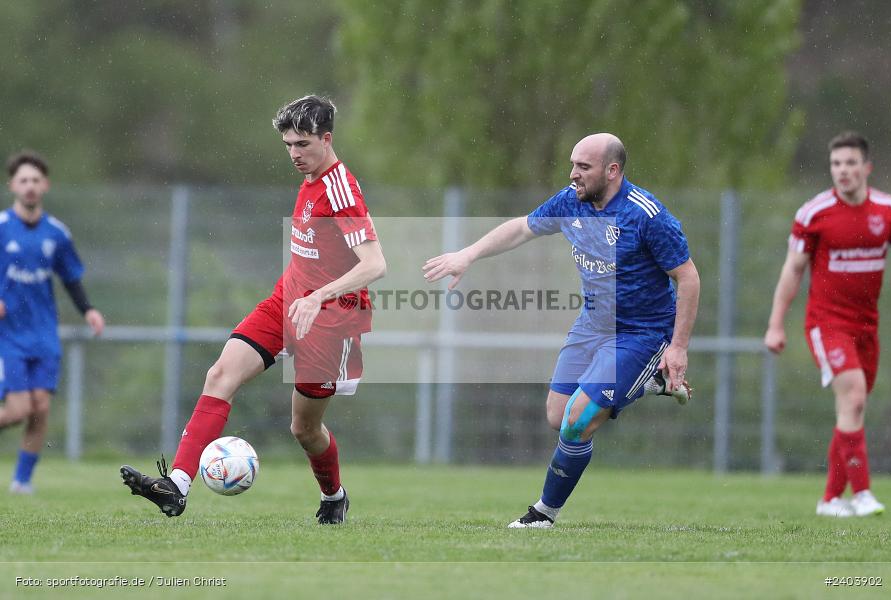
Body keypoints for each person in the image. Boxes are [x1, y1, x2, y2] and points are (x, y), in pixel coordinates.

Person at [121, 95, 386, 524]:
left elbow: (375, 263)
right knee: (220, 374)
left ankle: (334, 495)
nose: (294, 154)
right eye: (288, 146)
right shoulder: (310, 179)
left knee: (304, 429)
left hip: (330, 320)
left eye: (302, 144)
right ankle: (177, 486)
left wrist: (319, 297)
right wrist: (303, 293)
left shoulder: (341, 190)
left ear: (327, 138)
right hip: (287, 302)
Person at [424, 133, 700, 528]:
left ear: (612, 170)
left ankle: (543, 514)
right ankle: (651, 383)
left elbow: (688, 279)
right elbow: (522, 228)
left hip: (641, 332)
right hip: (591, 325)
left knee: (577, 419)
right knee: (557, 415)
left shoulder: (647, 216)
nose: (573, 174)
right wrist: (468, 255)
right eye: (572, 164)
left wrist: (678, 347)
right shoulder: (571, 201)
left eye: (583, 167)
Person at [765, 132, 891, 518]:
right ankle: (863, 493)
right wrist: (776, 325)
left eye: (850, 163)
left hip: (867, 328)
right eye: (836, 164)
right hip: (827, 324)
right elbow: (792, 271)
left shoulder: (889, 212)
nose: (843, 171)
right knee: (853, 396)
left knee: (852, 410)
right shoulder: (814, 214)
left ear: (866, 168)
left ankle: (829, 501)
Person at [0, 151, 105, 494]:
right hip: (9, 336)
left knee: (40, 409)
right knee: (17, 411)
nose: (29, 186)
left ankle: (22, 482)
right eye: (23, 180)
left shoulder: (56, 233)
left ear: (44, 185)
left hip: (43, 334)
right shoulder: (2, 229)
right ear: (12, 185)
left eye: (35, 180)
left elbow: (70, 277)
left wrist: (88, 309)